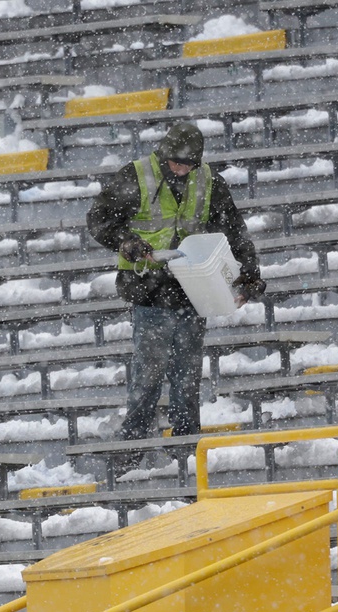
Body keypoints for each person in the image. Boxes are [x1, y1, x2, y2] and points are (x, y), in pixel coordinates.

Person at [85, 120, 266, 444]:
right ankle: (134, 442)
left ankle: (186, 445)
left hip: (193, 291)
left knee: (187, 377)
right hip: (150, 291)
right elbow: (99, 219)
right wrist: (127, 242)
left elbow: (234, 231)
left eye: (188, 165)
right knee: (148, 374)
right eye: (176, 163)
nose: (181, 170)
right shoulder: (136, 176)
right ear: (164, 154)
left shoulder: (209, 181)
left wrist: (249, 274)